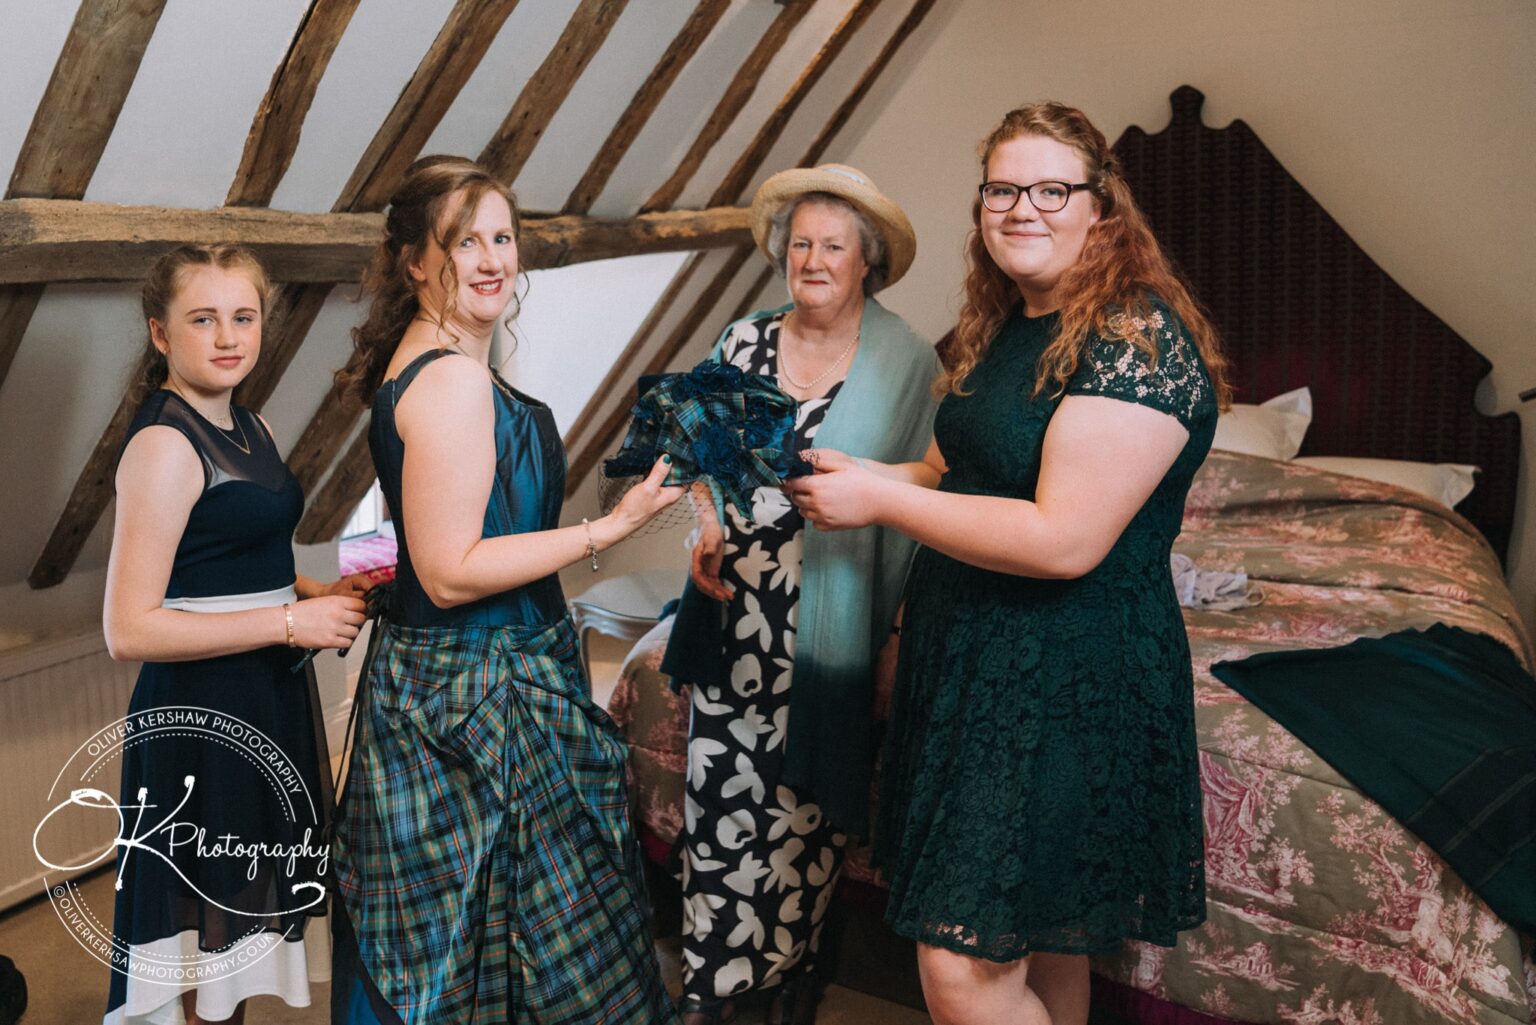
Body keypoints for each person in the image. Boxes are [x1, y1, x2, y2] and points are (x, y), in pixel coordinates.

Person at [785, 104, 1232, 1025]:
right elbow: (953, 472)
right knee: (1037, 936)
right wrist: (858, 469)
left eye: (1051, 189)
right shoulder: (1007, 325)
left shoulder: (1134, 344)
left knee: (961, 968)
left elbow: (1064, 538)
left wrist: (884, 504)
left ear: (1101, 211)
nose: (1022, 208)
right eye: (1002, 188)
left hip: (1068, 673)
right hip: (972, 659)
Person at [327, 155, 681, 1025]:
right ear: (415, 260)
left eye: (502, 237)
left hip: (443, 682)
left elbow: (408, 536)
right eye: (463, 241)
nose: (491, 259)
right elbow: (449, 573)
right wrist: (611, 527)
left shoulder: (426, 360)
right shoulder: (447, 379)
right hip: (481, 703)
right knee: (533, 953)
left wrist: (372, 572)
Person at [661, 164, 939, 1025]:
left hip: (829, 633)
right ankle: (714, 997)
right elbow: (695, 461)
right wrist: (703, 528)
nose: (812, 260)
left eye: (834, 247)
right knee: (717, 826)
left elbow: (931, 490)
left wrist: (894, 635)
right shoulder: (743, 344)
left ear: (868, 262)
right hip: (732, 627)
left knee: (800, 828)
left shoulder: (907, 362)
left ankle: (786, 995)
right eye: (801, 245)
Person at [103, 244, 370, 1025]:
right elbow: (129, 627)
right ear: (160, 332)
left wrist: (317, 592)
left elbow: (232, 564)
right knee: (205, 944)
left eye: (243, 316)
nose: (228, 335)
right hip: (204, 720)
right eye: (203, 318)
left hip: (267, 702)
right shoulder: (164, 445)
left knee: (237, 937)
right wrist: (292, 622)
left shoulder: (249, 422)